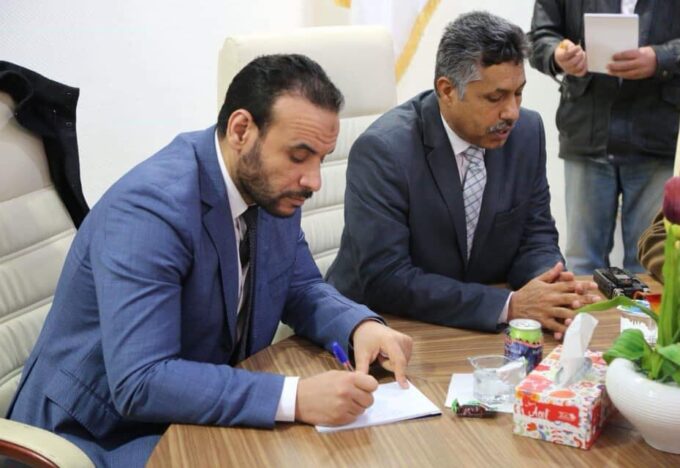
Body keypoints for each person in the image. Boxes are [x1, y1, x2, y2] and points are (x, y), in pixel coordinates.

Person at [7, 54, 413, 467]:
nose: (314, 181)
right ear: (241, 130)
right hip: (95, 434)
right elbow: (141, 381)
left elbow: (299, 285)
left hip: (188, 408)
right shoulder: (151, 209)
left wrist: (358, 326)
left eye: (321, 159)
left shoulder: (269, 189)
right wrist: (295, 397)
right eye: (298, 156)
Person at [326, 11, 598, 339]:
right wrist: (509, 305)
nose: (512, 112)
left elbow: (535, 236)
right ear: (447, 90)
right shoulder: (384, 150)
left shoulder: (526, 132)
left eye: (518, 93)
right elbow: (387, 278)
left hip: (473, 326)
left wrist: (549, 286)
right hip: (377, 328)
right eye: (495, 97)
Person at [529, 0, 680, 274]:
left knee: (651, 264)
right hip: (586, 131)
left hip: (659, 134)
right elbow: (540, 37)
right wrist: (558, 54)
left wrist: (662, 58)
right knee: (582, 264)